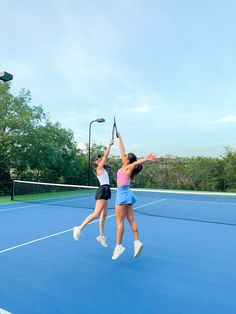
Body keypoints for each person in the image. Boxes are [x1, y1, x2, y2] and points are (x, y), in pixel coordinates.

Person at [112, 133, 156, 260]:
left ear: (128, 160)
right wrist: (120, 138)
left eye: (125, 156)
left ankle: (119, 246)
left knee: (119, 222)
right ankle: (137, 242)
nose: (123, 156)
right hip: (128, 194)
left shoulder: (128, 168)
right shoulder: (124, 165)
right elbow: (122, 150)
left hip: (122, 194)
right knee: (131, 220)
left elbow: (135, 162)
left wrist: (146, 159)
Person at [73, 139, 114, 247]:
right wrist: (109, 146)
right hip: (103, 190)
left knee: (103, 215)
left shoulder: (102, 167)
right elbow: (105, 157)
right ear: (95, 162)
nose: (100, 159)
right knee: (96, 214)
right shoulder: (99, 168)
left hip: (106, 190)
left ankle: (101, 236)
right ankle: (79, 227)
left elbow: (104, 160)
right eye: (98, 159)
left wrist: (107, 164)